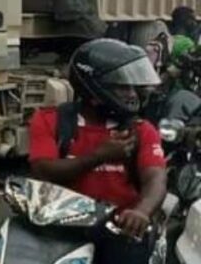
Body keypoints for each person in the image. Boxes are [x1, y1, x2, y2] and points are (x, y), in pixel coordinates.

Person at [29, 38, 167, 263]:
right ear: (93, 86)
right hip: (61, 229)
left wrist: (141, 211)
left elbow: (155, 178)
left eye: (134, 87)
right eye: (122, 86)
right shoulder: (49, 120)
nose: (132, 94)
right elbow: (42, 171)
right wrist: (98, 157)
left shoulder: (142, 130)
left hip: (120, 230)